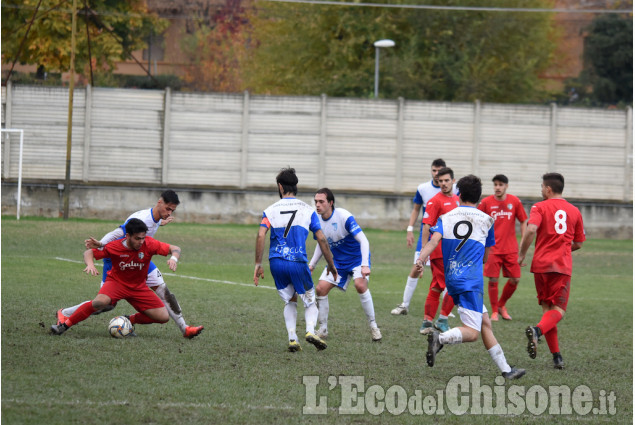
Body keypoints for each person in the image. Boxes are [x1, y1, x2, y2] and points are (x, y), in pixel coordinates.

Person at [417, 175, 525, 380]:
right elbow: (486, 256)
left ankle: (506, 370)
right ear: (479, 196)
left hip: (452, 278)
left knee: (485, 322)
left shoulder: (446, 217)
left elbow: (432, 243)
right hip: (471, 281)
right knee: (472, 333)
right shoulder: (486, 219)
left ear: (459, 194)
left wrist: (421, 260)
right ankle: (440, 338)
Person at [57, 190, 204, 339]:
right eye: (168, 209)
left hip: (140, 257)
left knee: (164, 290)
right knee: (106, 304)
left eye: (173, 210)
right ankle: (65, 314)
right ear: (159, 202)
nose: (170, 212)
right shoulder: (141, 219)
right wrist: (101, 243)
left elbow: (155, 230)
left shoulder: (156, 217)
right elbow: (118, 232)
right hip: (118, 258)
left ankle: (185, 328)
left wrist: (162, 222)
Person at [254, 167, 338, 352]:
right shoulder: (307, 210)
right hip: (298, 262)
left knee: (290, 300)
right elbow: (322, 239)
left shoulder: (270, 210)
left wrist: (258, 264)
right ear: (296, 186)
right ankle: (309, 331)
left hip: (276, 262)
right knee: (310, 301)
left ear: (280, 186)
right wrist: (331, 265)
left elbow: (261, 235)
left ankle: (293, 338)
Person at [50, 218, 181, 336]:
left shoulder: (149, 244)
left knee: (163, 317)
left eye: (143, 238)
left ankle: (127, 320)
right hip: (116, 283)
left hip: (138, 287)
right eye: (137, 238)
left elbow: (175, 248)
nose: (141, 242)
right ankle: (64, 326)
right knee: (99, 302)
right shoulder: (115, 246)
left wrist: (174, 258)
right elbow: (89, 252)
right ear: (128, 236)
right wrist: (90, 264)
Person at [518, 173, 585, 370]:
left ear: (548, 189)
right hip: (561, 266)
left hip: (540, 266)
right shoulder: (574, 211)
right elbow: (579, 243)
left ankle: (557, 357)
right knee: (559, 311)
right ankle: (537, 331)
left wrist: (521, 254)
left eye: (541, 186)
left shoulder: (539, 207)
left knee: (548, 310)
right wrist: (564, 249)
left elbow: (531, 230)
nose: (541, 190)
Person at [308, 188, 381, 342]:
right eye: (316, 201)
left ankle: (374, 327)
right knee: (320, 289)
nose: (317, 205)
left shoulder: (344, 216)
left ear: (331, 203)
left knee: (360, 286)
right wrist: (312, 265)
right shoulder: (316, 220)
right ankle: (323, 329)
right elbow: (321, 244)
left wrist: (365, 264)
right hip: (338, 263)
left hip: (357, 260)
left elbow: (364, 240)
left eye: (321, 201)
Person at [391, 158, 451, 316]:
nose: (437, 174)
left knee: (445, 271)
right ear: (431, 171)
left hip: (446, 238)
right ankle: (404, 304)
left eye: (440, 171)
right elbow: (416, 209)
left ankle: (447, 308)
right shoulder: (423, 188)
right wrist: (409, 229)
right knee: (416, 268)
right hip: (426, 236)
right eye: (434, 171)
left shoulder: (453, 189)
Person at [478, 175, 528, 321]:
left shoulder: (514, 201)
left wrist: (523, 241)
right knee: (493, 279)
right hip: (493, 249)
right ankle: (494, 311)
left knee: (515, 279)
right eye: (495, 185)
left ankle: (501, 305)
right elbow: (478, 220)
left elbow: (524, 220)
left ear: (506, 186)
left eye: (500, 184)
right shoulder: (486, 202)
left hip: (511, 249)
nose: (497, 187)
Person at [419, 167, 460, 334]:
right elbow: (426, 226)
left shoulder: (458, 200)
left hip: (452, 250)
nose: (443, 184)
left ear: (453, 181)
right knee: (453, 285)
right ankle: (443, 319)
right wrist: (423, 252)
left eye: (446, 180)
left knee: (436, 286)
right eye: (440, 181)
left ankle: (427, 322)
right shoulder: (435, 201)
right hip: (440, 251)